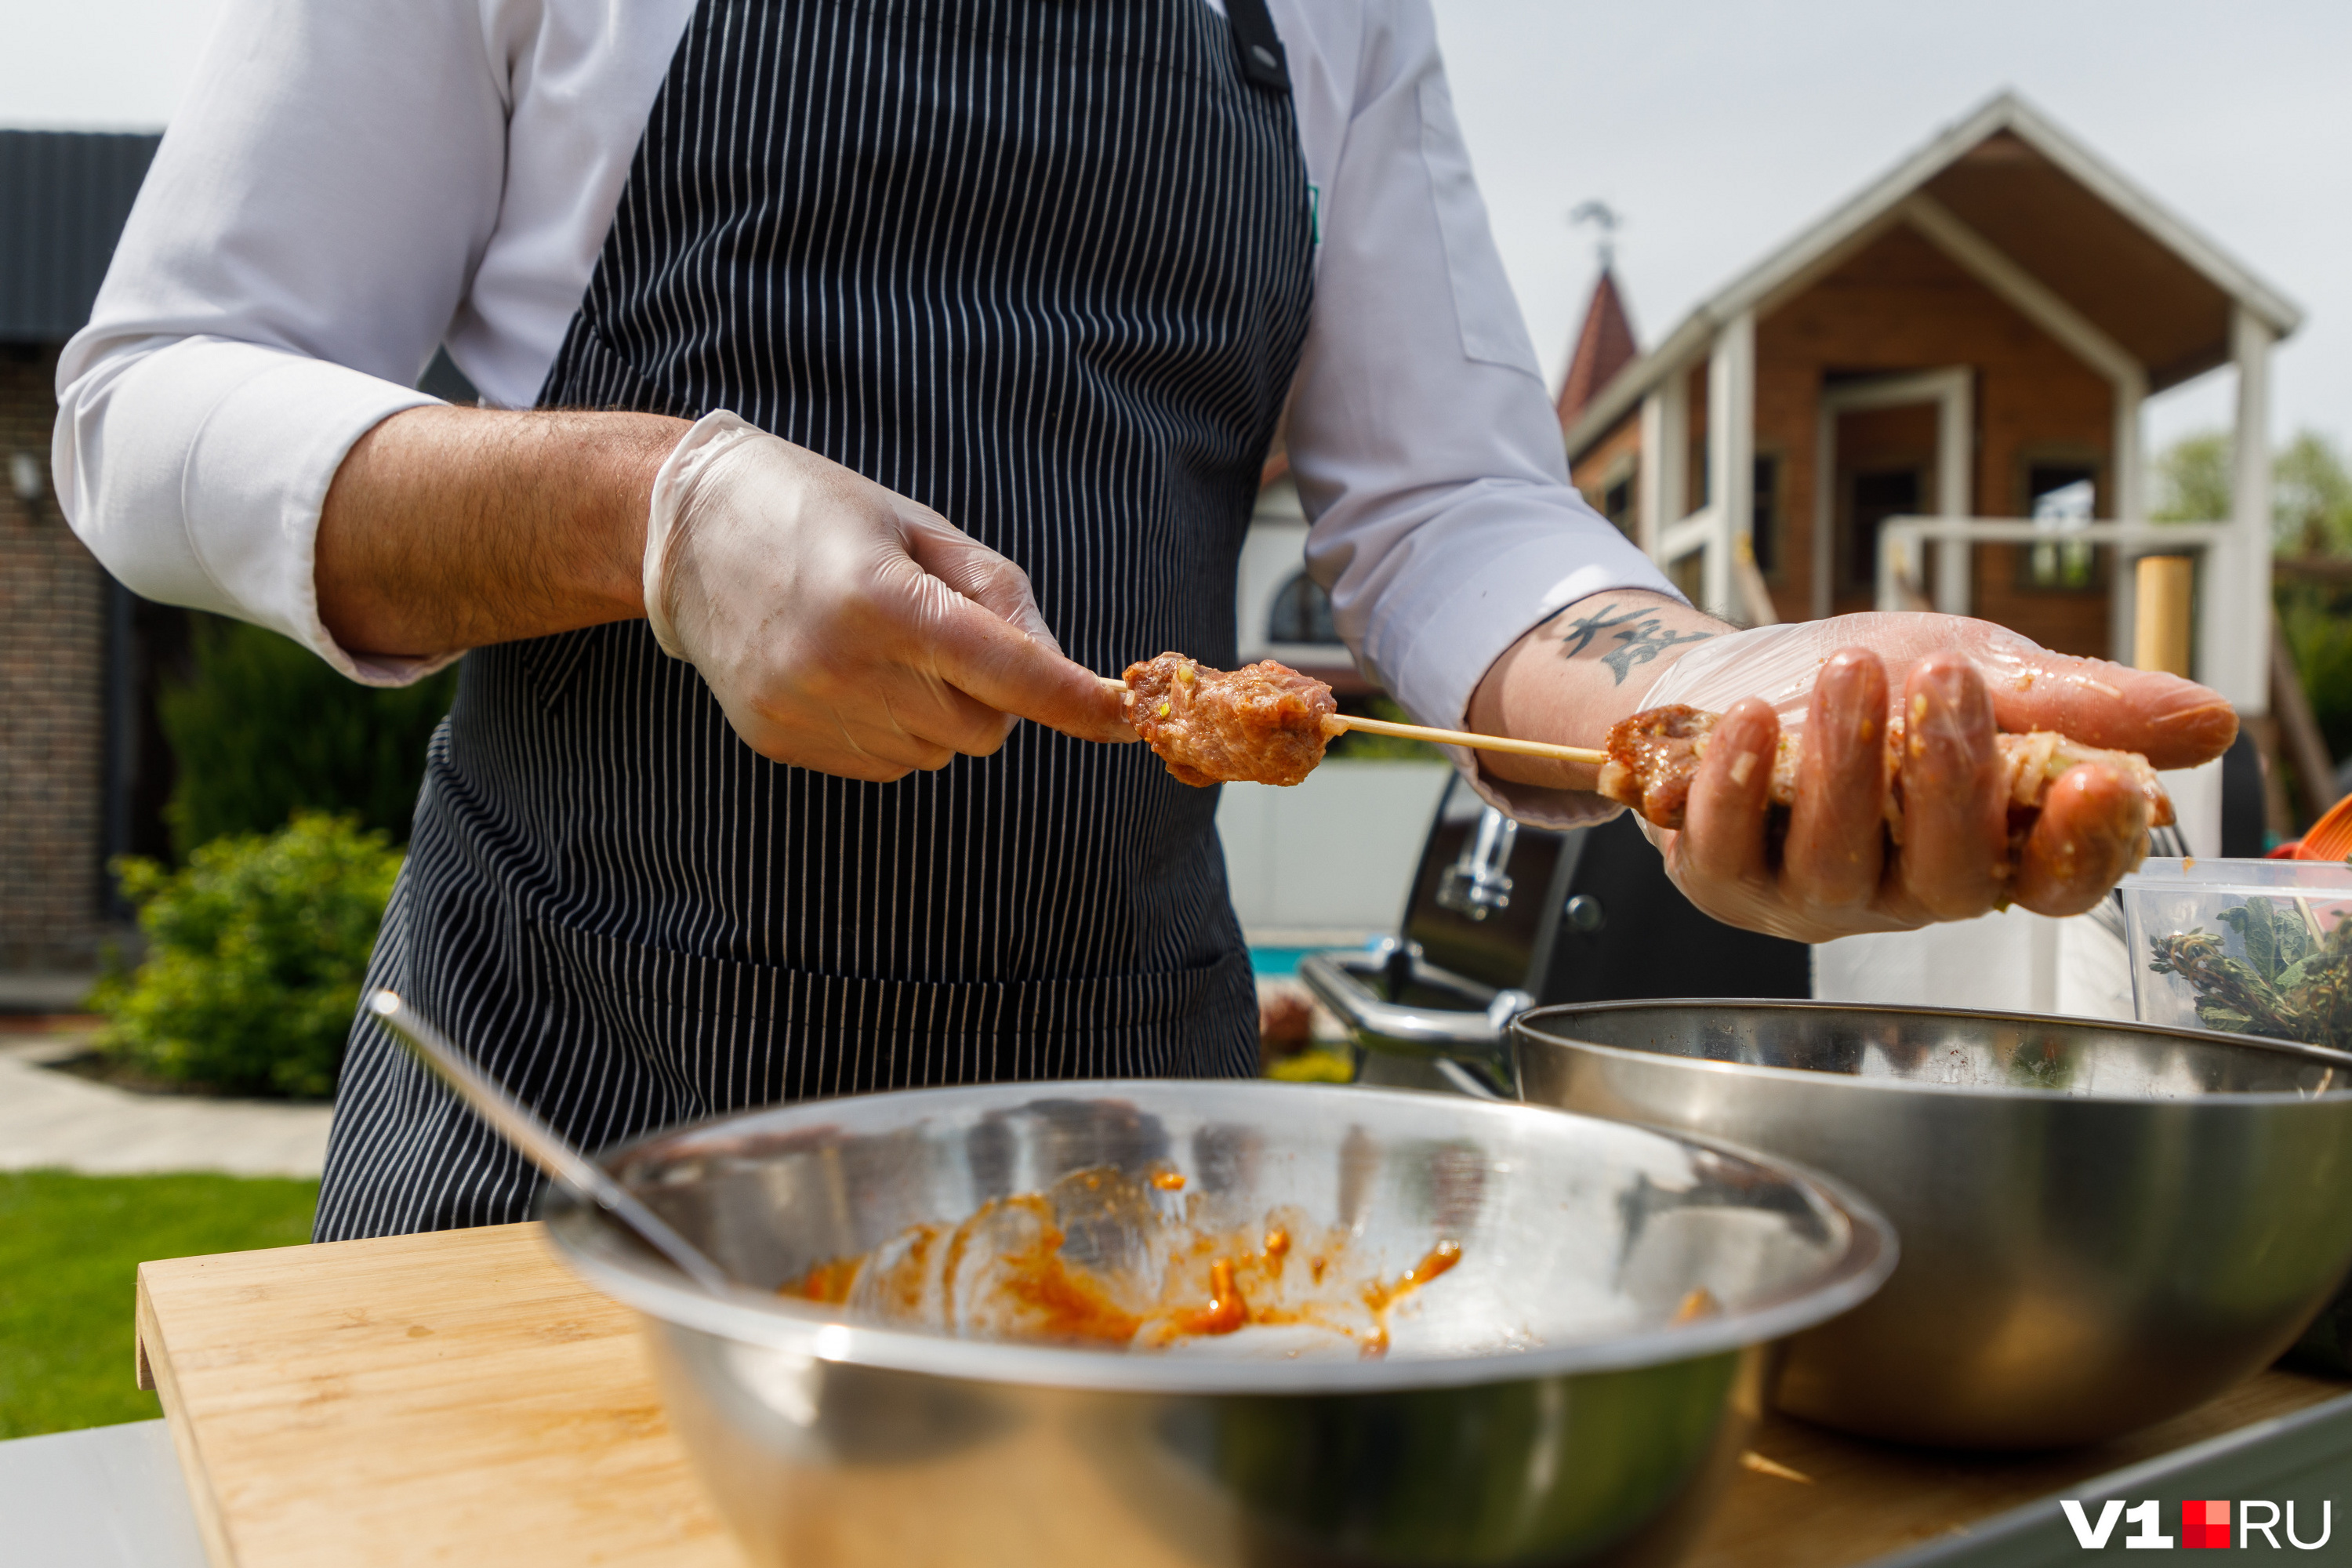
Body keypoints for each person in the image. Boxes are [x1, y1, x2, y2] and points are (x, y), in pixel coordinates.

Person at [55, 0, 2234, 1240]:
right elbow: (148, 404)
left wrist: (1700, 688)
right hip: (568, 1145)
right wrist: (654, 507)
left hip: (1135, 1174)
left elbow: (1458, 505)